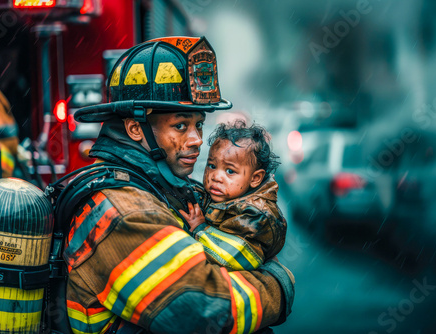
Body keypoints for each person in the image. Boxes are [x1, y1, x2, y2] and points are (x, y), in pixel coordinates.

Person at [65, 37, 294, 334]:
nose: (198, 139)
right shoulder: (126, 213)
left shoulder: (159, 188)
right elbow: (203, 312)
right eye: (180, 126)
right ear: (136, 128)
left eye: (198, 124)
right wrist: (277, 284)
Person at [179, 121, 287, 271]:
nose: (216, 176)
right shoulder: (224, 196)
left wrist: (200, 229)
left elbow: (236, 257)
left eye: (230, 171)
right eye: (212, 165)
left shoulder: (254, 214)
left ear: (255, 179)